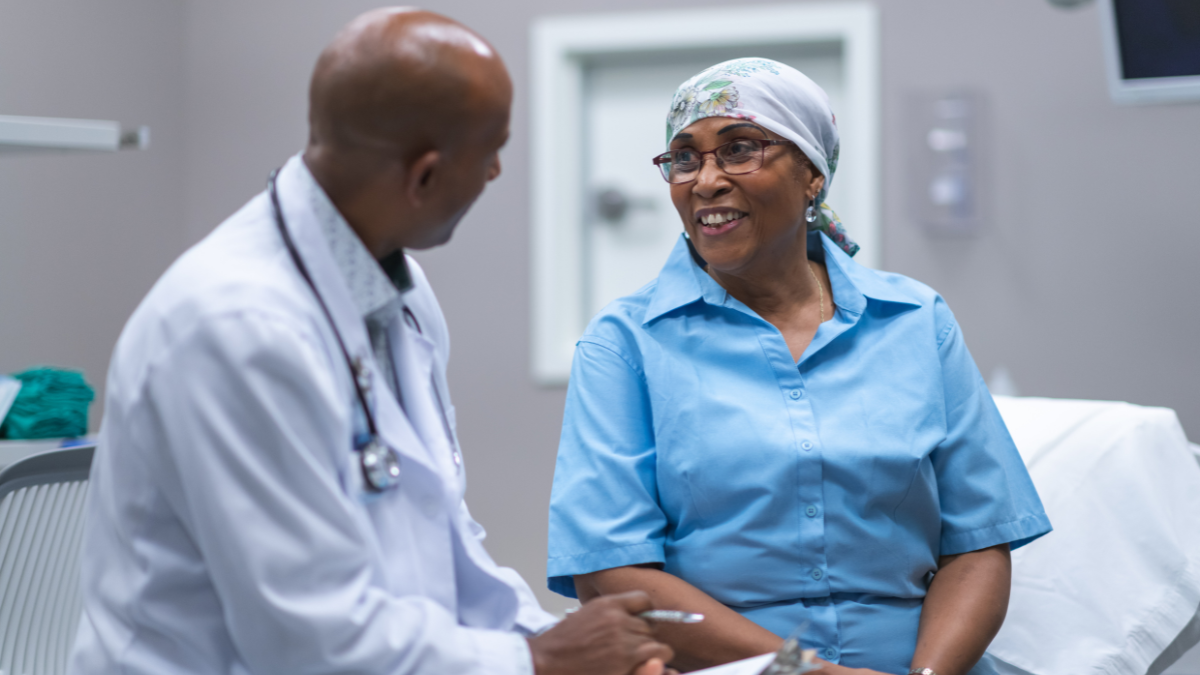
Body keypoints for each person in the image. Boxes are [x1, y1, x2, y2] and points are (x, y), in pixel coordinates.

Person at [68, 8, 675, 675]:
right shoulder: (234, 328)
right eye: (491, 151)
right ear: (424, 177)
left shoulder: (400, 290)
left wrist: (567, 644)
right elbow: (309, 641)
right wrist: (537, 659)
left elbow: (448, 541)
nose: (497, 171)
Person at [546, 58, 1052, 675]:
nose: (706, 180)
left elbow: (978, 543)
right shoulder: (625, 343)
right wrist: (806, 672)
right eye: (684, 158)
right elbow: (612, 572)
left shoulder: (914, 319)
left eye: (738, 150)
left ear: (811, 174)